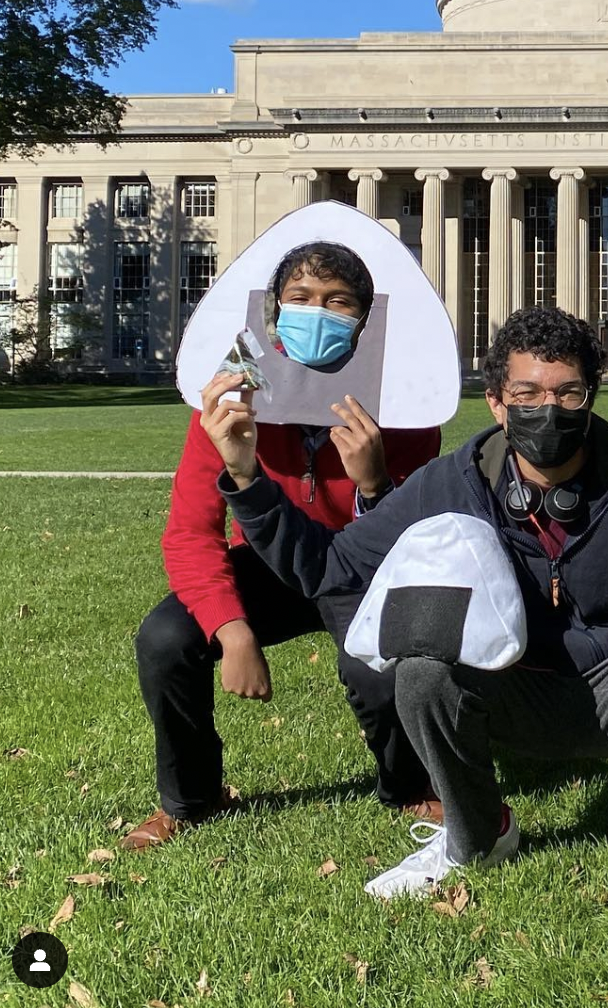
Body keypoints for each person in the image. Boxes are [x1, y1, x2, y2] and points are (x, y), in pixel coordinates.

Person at [203, 306, 608, 899]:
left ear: (592, 398)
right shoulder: (457, 479)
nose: (548, 410)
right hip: (508, 692)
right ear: (498, 403)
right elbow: (330, 568)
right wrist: (245, 478)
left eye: (568, 394)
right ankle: (475, 835)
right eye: (528, 395)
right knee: (421, 670)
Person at [124, 242, 443, 850]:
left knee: (376, 664)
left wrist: (375, 482)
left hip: (359, 564)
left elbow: (410, 540)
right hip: (270, 564)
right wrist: (231, 628)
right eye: (300, 299)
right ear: (274, 312)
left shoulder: (404, 402)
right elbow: (191, 532)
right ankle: (191, 799)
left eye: (337, 302)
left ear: (365, 318)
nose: (316, 313)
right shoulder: (230, 391)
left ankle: (410, 784)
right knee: (166, 638)